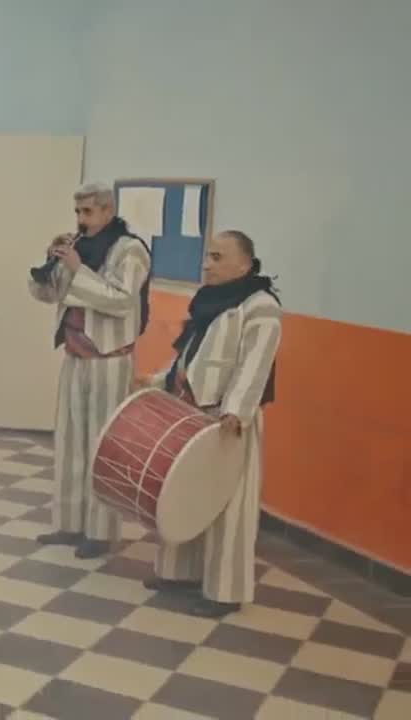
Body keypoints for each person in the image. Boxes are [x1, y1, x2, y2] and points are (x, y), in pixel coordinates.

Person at [139, 230, 282, 618]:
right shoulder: (209, 299)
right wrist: (159, 380)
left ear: (245, 265)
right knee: (184, 493)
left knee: (229, 505)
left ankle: (224, 591)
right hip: (192, 412)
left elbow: (256, 363)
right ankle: (178, 573)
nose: (207, 265)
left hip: (228, 420)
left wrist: (236, 410)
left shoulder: (261, 306)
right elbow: (191, 353)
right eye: (207, 256)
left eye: (217, 257)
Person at [29, 181, 152, 559]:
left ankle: (101, 532)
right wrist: (50, 264)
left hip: (109, 359)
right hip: (75, 355)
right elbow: (49, 294)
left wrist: (77, 268)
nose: (81, 219)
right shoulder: (78, 247)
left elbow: (121, 300)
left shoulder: (130, 250)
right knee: (69, 442)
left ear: (108, 211)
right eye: (77, 212)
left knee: (101, 446)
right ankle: (69, 524)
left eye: (88, 212)